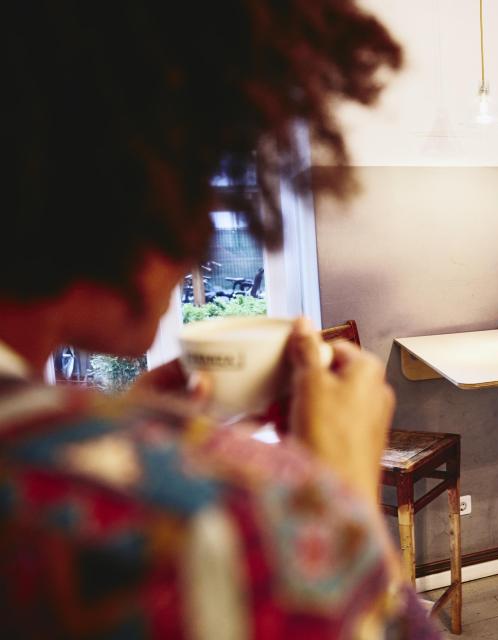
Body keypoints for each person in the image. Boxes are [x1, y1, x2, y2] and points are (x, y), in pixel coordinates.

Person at [0, 2, 441, 638]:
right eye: (199, 171)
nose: (201, 229)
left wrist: (121, 430)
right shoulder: (207, 527)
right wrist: (339, 505)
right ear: (120, 165)